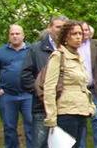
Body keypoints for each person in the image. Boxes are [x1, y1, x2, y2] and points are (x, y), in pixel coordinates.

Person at [43, 20, 95, 148]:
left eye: (80, 33)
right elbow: (49, 88)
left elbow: (83, 86)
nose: (78, 37)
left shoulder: (78, 57)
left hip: (81, 111)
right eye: (74, 34)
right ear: (66, 36)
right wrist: (51, 117)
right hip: (65, 112)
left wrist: (90, 105)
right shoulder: (58, 56)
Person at [22, 15, 67, 148]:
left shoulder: (71, 49)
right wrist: (40, 93)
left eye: (64, 27)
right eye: (58, 27)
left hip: (66, 107)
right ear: (50, 28)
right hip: (42, 108)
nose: (60, 30)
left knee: (65, 144)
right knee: (41, 144)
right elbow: (25, 75)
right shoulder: (35, 49)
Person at [0, 24, 33, 148]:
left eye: (17, 33)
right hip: (7, 95)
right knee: (9, 127)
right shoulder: (0, 52)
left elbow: (39, 70)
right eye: (12, 34)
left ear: (23, 35)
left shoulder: (32, 50)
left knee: (31, 125)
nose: (15, 36)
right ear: (9, 36)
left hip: (28, 95)